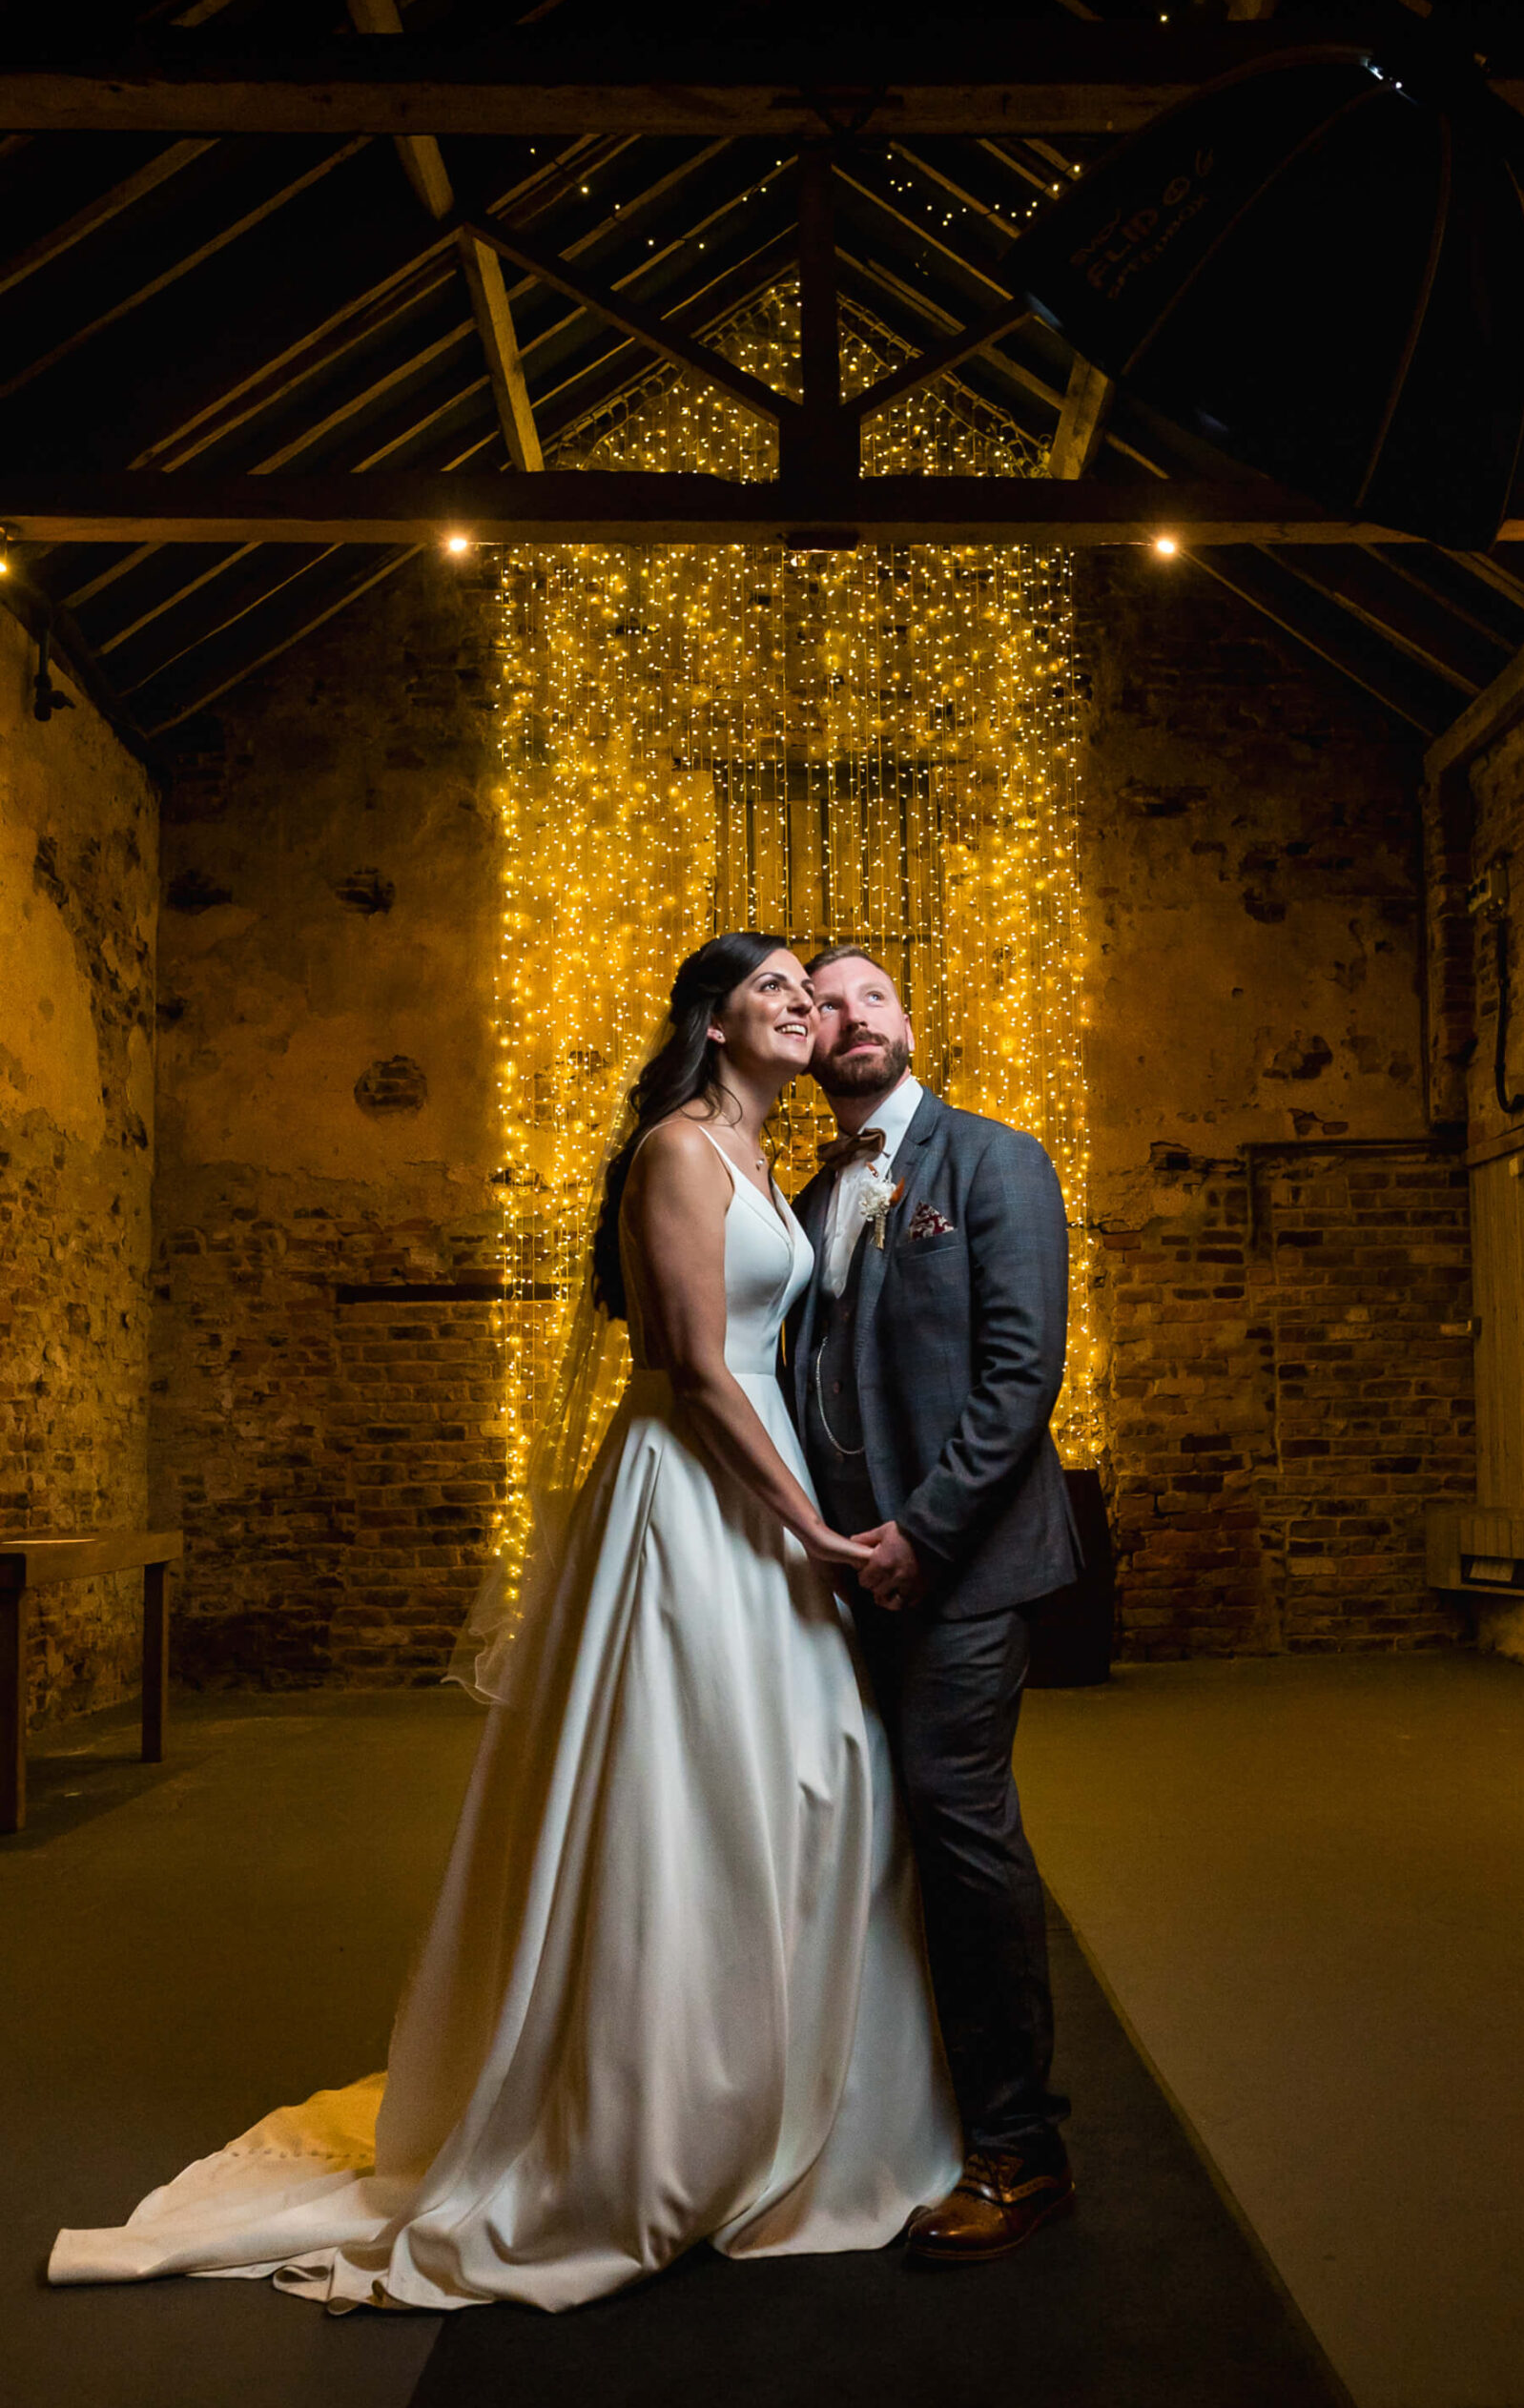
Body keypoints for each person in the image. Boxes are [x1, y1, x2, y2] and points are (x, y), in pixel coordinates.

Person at [50, 934, 959, 2313]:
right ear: (712, 1023)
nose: (800, 1004)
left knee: (814, 1773)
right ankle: (646, 2121)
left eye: (808, 990)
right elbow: (697, 1371)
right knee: (685, 1788)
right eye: (773, 986)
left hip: (763, 1477)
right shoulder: (678, 1151)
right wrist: (816, 1532)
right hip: (695, 1488)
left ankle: (788, 2097)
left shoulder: (772, 1161)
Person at [790, 943, 1080, 2265]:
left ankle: (1022, 2148)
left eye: (874, 997)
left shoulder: (992, 1160)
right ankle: (880, 2114)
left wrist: (924, 1531)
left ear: (907, 1024)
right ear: (803, 1043)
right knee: (858, 1824)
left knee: (958, 1819)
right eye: (824, 1004)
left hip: (963, 1566)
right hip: (845, 1571)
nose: (851, 1017)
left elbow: (1023, 1374)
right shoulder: (808, 1196)